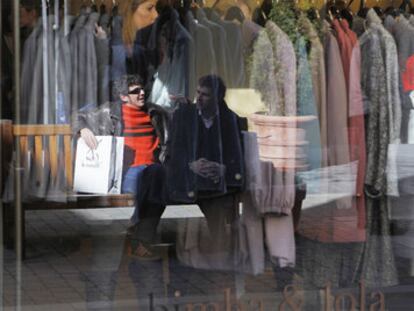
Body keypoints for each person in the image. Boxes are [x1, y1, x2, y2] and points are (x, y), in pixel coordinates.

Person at [129, 74, 245, 260]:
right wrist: (191, 165)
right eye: (197, 92)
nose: (198, 97)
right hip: (186, 176)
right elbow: (174, 151)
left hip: (215, 180)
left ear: (217, 98)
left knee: (217, 201)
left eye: (205, 95)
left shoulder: (231, 120)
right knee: (154, 176)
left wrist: (222, 168)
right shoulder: (184, 115)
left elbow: (238, 158)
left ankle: (221, 245)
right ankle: (142, 240)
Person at [74, 74, 169, 225]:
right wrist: (83, 128)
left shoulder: (156, 113)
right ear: (124, 97)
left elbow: (178, 122)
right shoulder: (110, 112)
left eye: (142, 89)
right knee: (154, 183)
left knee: (155, 176)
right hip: (127, 174)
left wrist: (186, 105)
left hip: (154, 171)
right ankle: (141, 233)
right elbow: (77, 116)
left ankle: (139, 232)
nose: (142, 93)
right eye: (136, 91)